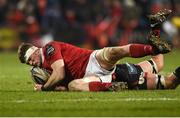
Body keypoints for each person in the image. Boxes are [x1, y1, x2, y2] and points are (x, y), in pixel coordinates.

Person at [18, 9, 172, 91]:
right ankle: (115, 86)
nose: (31, 62)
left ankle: (151, 47)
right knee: (74, 86)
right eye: (28, 62)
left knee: (112, 52)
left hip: (91, 60)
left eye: (30, 58)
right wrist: (52, 87)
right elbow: (61, 84)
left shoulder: (48, 49)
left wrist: (44, 88)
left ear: (35, 49)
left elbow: (59, 73)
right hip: (99, 77)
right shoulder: (44, 69)